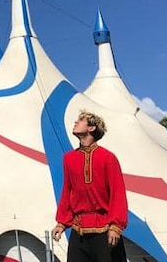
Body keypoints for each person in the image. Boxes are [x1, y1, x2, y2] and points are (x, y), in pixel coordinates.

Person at [52, 111, 128, 262]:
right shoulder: (69, 159)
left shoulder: (108, 158)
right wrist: (61, 222)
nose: (75, 122)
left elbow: (117, 193)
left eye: (81, 120)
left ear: (91, 128)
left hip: (104, 229)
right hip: (78, 229)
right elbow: (67, 191)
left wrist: (115, 226)